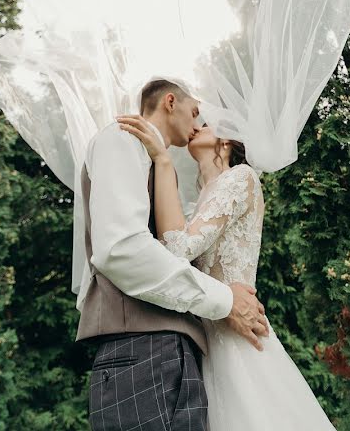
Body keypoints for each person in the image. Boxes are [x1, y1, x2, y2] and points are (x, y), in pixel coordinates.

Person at [115, 102, 338, 429]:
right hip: (208, 338)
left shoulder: (241, 178)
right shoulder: (202, 198)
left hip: (237, 336)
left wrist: (163, 161)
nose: (196, 127)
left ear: (229, 139)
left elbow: (178, 248)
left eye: (205, 124)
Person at [76, 78, 270, 431]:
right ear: (170, 102)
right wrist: (224, 299)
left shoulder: (161, 168)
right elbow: (121, 250)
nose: (198, 124)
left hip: (177, 351)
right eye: (195, 112)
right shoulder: (121, 139)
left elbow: (172, 250)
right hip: (144, 349)